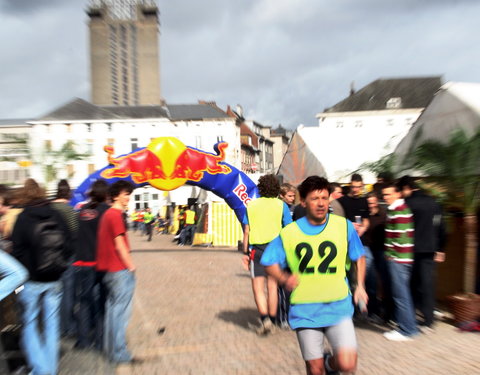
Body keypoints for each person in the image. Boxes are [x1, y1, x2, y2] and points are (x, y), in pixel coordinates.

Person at [261, 176, 367, 375]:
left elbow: (359, 257)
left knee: (347, 364)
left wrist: (360, 286)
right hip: (305, 310)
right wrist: (284, 278)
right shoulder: (289, 233)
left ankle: (330, 364)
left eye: (325, 198)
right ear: (303, 202)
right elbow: (268, 261)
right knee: (314, 369)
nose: (321, 204)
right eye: (315, 198)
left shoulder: (343, 226)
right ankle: (322, 366)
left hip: (338, 306)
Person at [11, 178, 73, 375]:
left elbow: (16, 250)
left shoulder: (23, 218)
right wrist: (61, 265)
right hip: (55, 278)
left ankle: (40, 369)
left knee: (29, 322)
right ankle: (50, 369)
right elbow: (70, 243)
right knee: (52, 324)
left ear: (24, 195)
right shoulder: (56, 215)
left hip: (31, 280)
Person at [242, 174, 292, 334]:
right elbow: (289, 229)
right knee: (272, 286)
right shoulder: (281, 205)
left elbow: (246, 231)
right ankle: (273, 317)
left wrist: (245, 253)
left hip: (257, 249)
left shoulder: (251, 206)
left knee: (258, 287)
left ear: (260, 188)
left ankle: (265, 319)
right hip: (276, 250)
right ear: (277, 189)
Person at [397, 175, 447, 332]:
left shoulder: (407, 204)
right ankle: (428, 319)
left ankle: (410, 317)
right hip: (430, 249)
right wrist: (440, 248)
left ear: (406, 188)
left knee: (410, 285)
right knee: (427, 284)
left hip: (410, 250)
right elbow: (442, 227)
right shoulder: (434, 203)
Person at [96, 180, 138, 364]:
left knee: (112, 312)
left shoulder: (107, 214)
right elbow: (120, 244)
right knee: (121, 314)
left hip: (108, 270)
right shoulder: (115, 215)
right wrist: (131, 266)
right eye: (124, 194)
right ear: (115, 196)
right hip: (119, 270)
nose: (127, 197)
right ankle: (120, 353)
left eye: (129, 194)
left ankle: (111, 351)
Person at [73, 179, 110, 350]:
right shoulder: (107, 212)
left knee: (84, 301)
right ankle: (100, 340)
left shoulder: (82, 211)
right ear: (105, 194)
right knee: (102, 301)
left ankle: (82, 340)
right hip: (101, 262)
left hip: (82, 261)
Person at [382, 182, 419, 341]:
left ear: (398, 194)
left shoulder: (399, 211)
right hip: (402, 258)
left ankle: (407, 330)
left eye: (389, 194)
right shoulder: (396, 210)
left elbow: (402, 237)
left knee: (400, 294)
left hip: (398, 259)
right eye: (384, 195)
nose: (386, 197)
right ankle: (409, 326)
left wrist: (390, 253)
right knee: (403, 294)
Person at [338, 173, 375, 313]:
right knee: (346, 274)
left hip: (361, 241)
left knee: (367, 270)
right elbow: (337, 220)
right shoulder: (342, 201)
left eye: (358, 187)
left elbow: (366, 220)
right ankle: (350, 307)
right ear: (350, 185)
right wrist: (348, 225)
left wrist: (362, 229)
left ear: (362, 186)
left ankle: (364, 303)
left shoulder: (364, 201)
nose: (355, 190)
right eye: (353, 187)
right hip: (345, 242)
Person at [51, 179, 79, 338]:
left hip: (49, 256)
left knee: (54, 292)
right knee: (68, 291)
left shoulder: (49, 207)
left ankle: (55, 325)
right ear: (68, 192)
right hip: (68, 256)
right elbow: (75, 234)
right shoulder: (70, 210)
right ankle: (67, 327)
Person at [278, 183, 298, 329]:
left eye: (293, 196)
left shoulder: (296, 209)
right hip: (282, 249)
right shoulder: (279, 208)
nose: (292, 198)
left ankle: (292, 314)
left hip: (293, 250)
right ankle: (283, 316)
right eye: (290, 196)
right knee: (282, 285)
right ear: (282, 195)